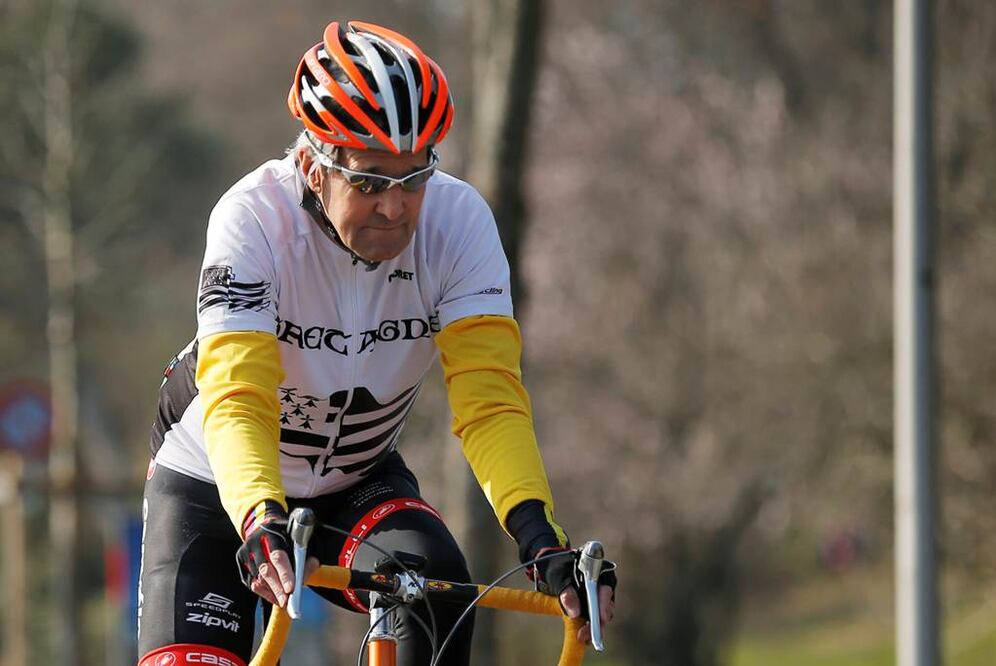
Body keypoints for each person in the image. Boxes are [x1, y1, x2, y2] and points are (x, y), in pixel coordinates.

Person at [137, 20, 615, 666]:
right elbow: (240, 397)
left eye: (412, 179)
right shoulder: (252, 222)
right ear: (311, 163)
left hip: (353, 479)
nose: (394, 209)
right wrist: (257, 517)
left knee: (435, 587)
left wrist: (538, 535)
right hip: (215, 481)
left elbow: (489, 401)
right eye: (368, 182)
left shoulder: (459, 226)